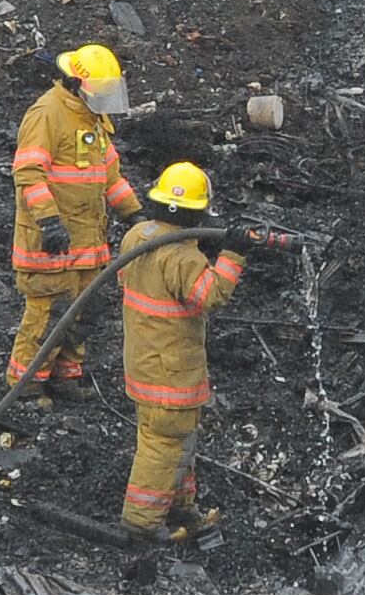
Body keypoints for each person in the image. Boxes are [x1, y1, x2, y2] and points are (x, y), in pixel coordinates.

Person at [115, 162, 287, 537]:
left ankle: (180, 509)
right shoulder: (183, 258)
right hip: (171, 373)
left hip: (143, 363)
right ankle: (142, 524)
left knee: (179, 443)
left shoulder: (137, 237)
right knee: (163, 446)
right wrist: (232, 255)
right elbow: (210, 295)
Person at [4, 44, 141, 391]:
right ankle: (27, 385)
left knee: (84, 312)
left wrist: (136, 215)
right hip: (52, 243)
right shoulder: (47, 114)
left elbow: (110, 177)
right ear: (77, 83)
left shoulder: (91, 118)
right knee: (48, 315)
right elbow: (29, 174)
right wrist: (49, 221)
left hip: (87, 243)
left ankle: (66, 375)